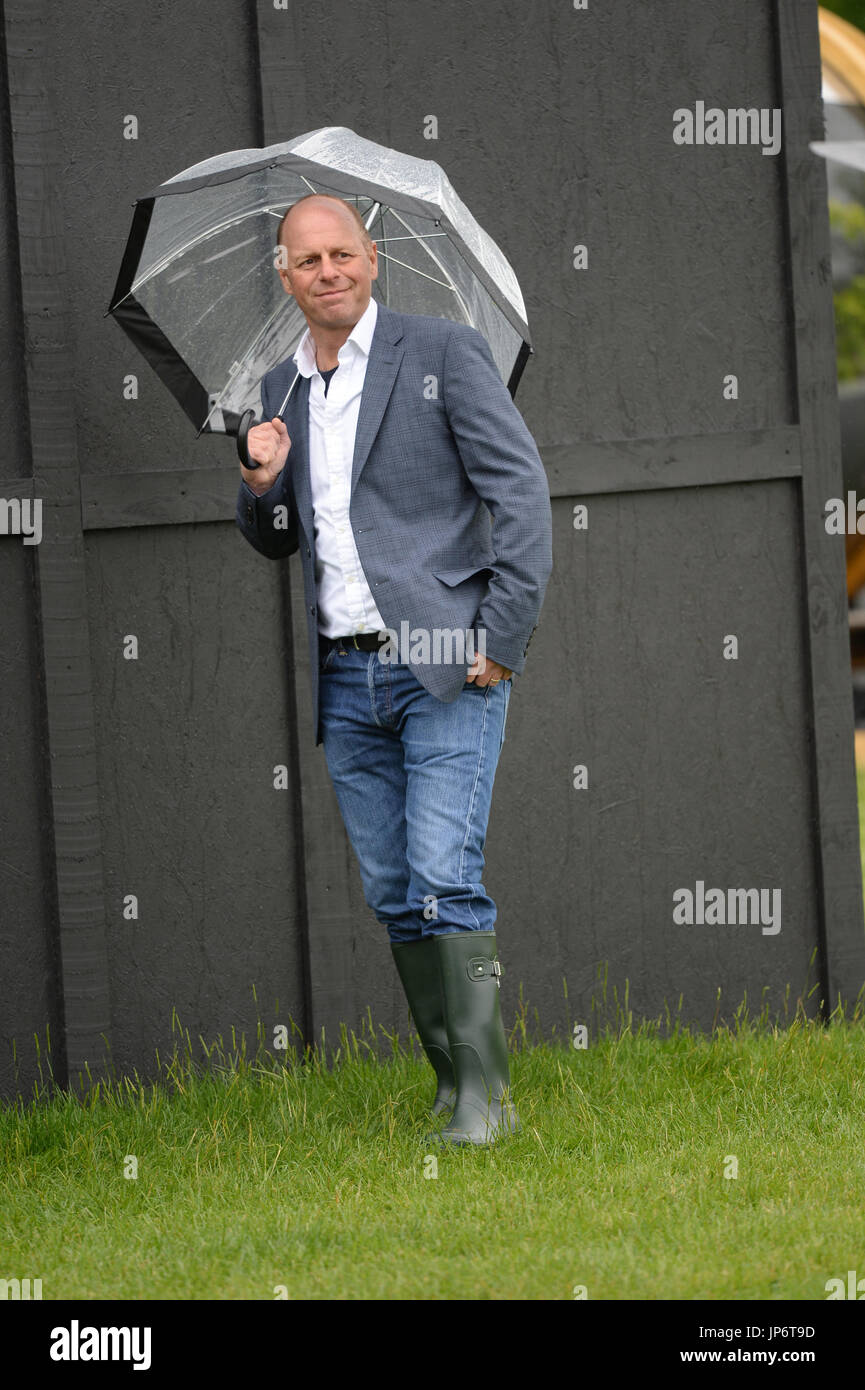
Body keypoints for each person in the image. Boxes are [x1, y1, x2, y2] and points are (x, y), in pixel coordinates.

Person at [235, 193, 552, 1145]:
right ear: (284, 277)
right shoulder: (276, 388)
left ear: (372, 260)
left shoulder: (443, 351)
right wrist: (258, 486)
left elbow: (521, 494)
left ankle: (486, 1103)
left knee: (442, 877)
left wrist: (500, 636)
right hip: (342, 674)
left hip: (445, 663)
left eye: (343, 253)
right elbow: (279, 541)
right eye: (307, 260)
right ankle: (453, 1086)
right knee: (391, 892)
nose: (327, 270)